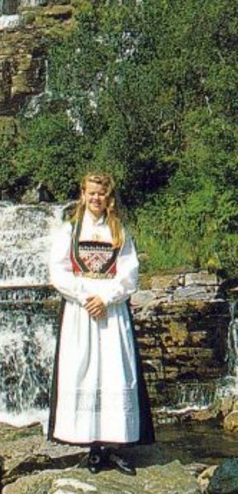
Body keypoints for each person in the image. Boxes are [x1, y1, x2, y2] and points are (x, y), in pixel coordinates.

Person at [47, 171, 154, 474]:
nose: (96, 198)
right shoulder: (69, 231)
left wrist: (106, 298)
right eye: (91, 193)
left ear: (109, 197)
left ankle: (115, 445)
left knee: (114, 370)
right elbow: (58, 271)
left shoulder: (119, 231)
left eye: (101, 194)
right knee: (85, 371)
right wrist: (86, 296)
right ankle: (93, 447)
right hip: (81, 312)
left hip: (111, 310)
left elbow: (129, 273)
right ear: (82, 194)